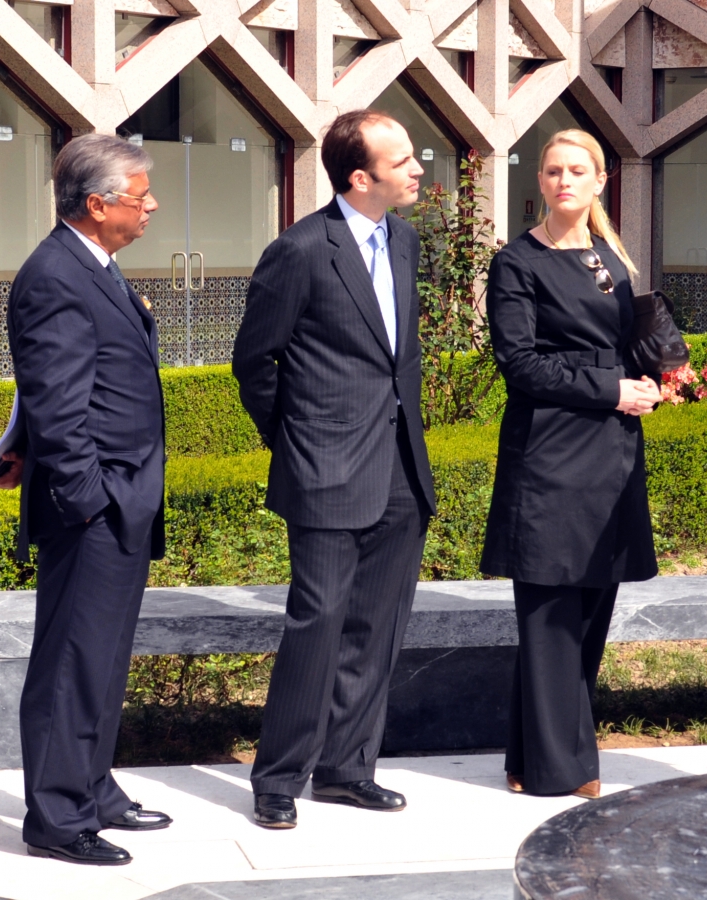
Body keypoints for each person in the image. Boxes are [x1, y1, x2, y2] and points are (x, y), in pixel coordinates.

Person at [233, 110, 436, 829]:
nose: (418, 168)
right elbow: (254, 362)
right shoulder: (299, 250)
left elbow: (394, 359)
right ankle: (278, 779)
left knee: (377, 628)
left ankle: (348, 771)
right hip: (324, 473)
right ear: (361, 176)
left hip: (400, 470)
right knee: (316, 625)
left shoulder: (406, 241)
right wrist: (296, 443)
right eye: (404, 159)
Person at [0, 134, 172, 865]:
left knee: (101, 659)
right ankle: (60, 819)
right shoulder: (56, 276)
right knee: (72, 660)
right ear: (98, 205)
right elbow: (58, 407)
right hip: (94, 509)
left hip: (122, 499)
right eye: (139, 196)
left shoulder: (91, 265)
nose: (152, 205)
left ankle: (93, 789)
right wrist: (90, 501)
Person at [481, 129, 661, 799]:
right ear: (542, 181)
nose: (563, 180)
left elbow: (625, 345)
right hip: (551, 450)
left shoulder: (610, 258)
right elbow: (519, 364)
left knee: (590, 606)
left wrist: (653, 377)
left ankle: (530, 757)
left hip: (611, 449)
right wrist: (611, 389)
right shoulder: (517, 262)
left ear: (600, 181)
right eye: (553, 170)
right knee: (551, 611)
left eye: (576, 170)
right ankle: (564, 769)